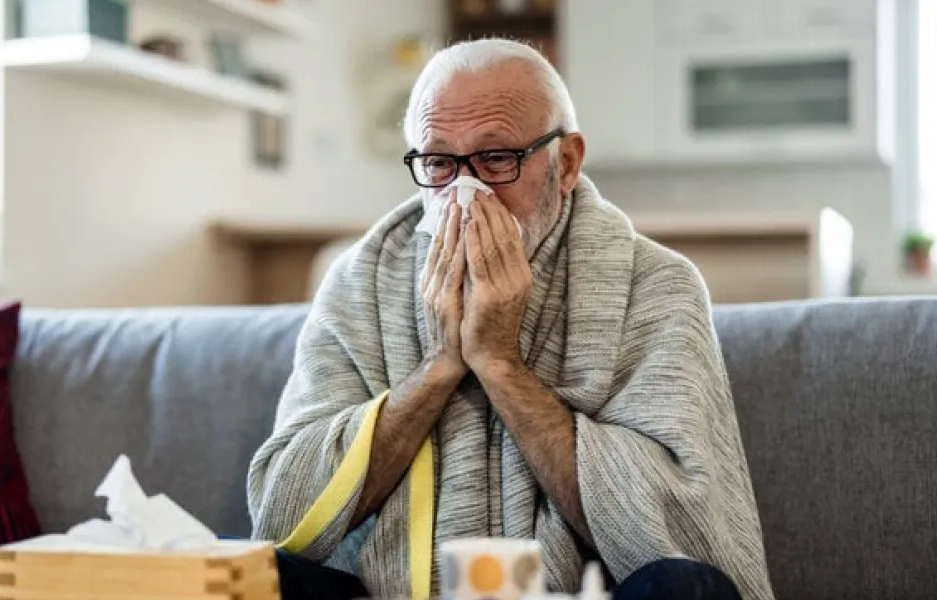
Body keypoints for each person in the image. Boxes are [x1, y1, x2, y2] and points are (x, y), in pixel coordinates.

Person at [246, 38, 776, 600]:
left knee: (689, 586)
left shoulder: (656, 286)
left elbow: (682, 526)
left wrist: (500, 362)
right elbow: (285, 511)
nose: (464, 193)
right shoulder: (360, 282)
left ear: (566, 162)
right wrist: (439, 366)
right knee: (258, 576)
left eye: (497, 159)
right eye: (439, 163)